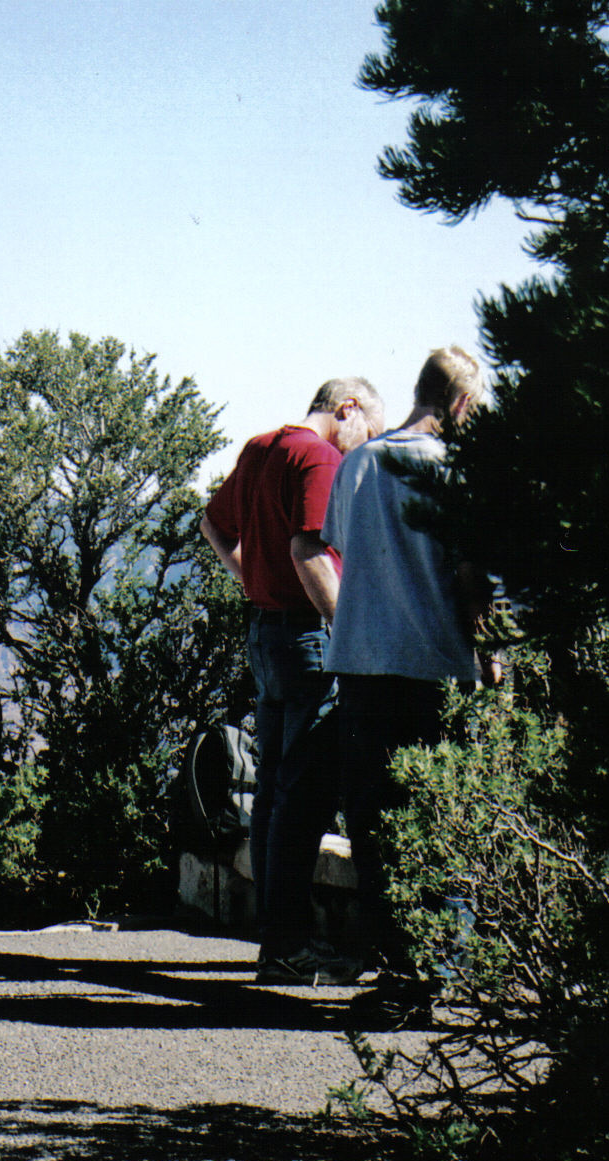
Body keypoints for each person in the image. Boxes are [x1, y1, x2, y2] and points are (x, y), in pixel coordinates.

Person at [320, 345, 491, 1027]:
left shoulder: (359, 463)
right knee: (443, 819)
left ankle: (398, 976)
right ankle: (447, 973)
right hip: (437, 666)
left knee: (376, 827)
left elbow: (339, 547)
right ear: (460, 403)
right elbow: (471, 578)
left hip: (364, 665)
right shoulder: (457, 472)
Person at [201, 378, 384, 985]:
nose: (365, 448)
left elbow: (213, 525)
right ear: (347, 409)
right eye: (368, 433)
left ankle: (277, 941)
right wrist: (350, 635)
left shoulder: (260, 447)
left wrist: (253, 579)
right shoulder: (320, 456)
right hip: (308, 637)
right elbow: (310, 550)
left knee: (275, 791)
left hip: (265, 632)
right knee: (304, 793)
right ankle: (287, 947)